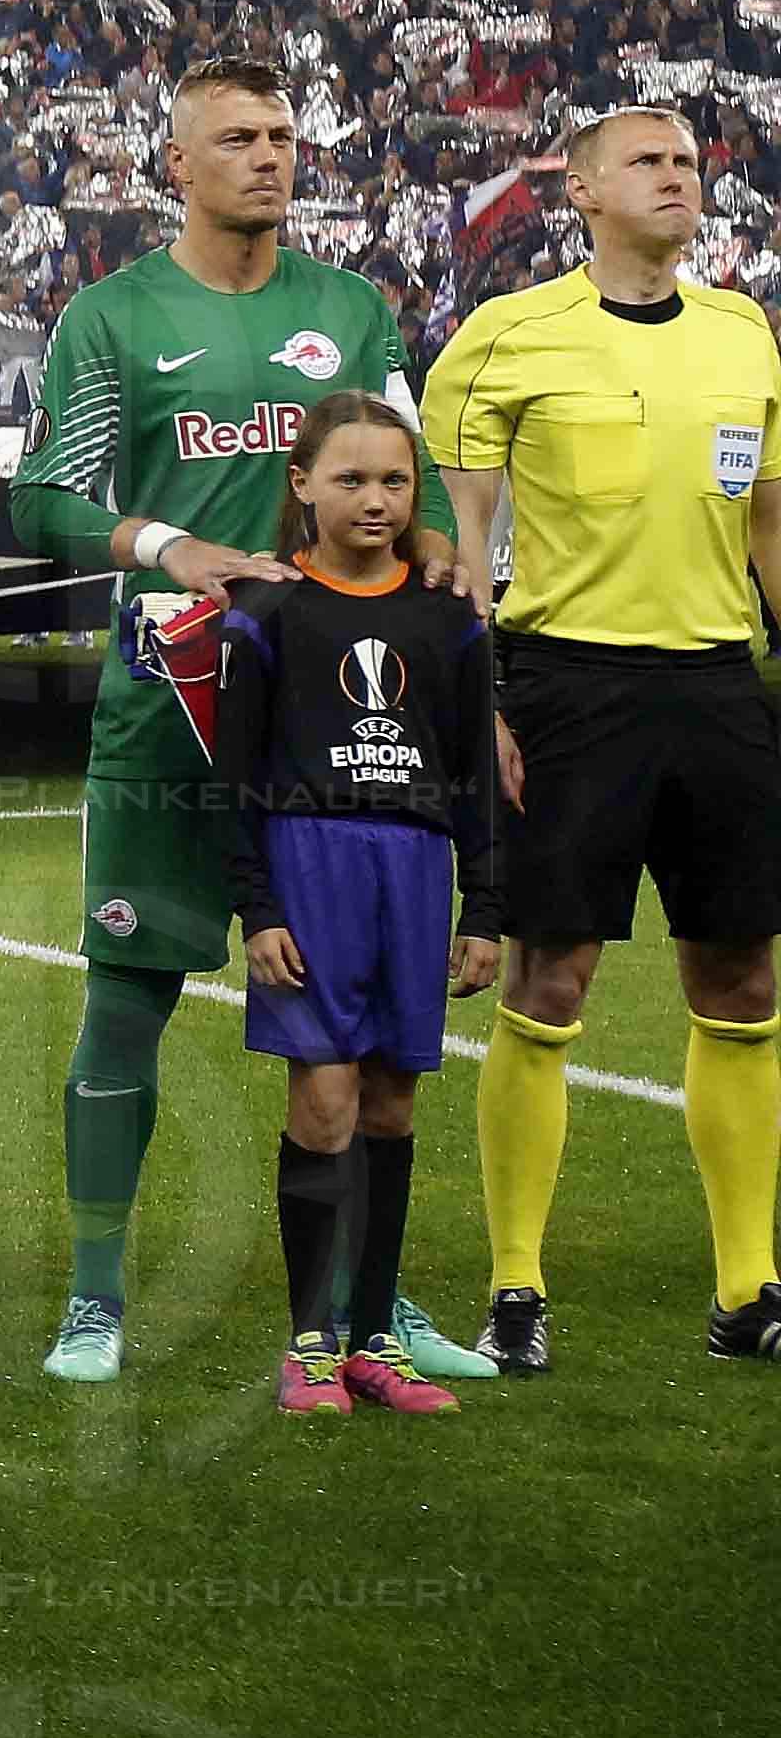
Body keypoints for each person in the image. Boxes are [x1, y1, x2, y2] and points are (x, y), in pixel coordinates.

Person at [16, 58, 476, 1385]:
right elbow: (46, 496)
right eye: (238, 137)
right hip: (173, 713)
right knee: (128, 1002)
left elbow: (413, 471)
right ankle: (95, 1301)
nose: (269, 157)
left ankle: (370, 1305)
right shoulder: (113, 315)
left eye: (282, 135)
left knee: (374, 1032)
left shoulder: (349, 308)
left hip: (342, 732)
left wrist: (445, 567)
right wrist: (173, 548)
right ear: (177, 163)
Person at [421, 103, 781, 1373]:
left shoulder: (746, 335)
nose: (679, 177)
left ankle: (750, 1290)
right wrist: (483, 705)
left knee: (742, 982)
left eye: (689, 161)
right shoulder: (505, 339)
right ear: (580, 190)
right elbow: (459, 546)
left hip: (719, 688)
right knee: (550, 981)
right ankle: (516, 1288)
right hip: (567, 688)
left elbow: (770, 529)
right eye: (649, 160)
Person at [207, 393, 504, 1415]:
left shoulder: (446, 615)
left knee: (390, 1100)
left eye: (394, 481)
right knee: (323, 1099)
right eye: (349, 479)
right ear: (301, 486)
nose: (374, 499)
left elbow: (471, 773)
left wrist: (485, 910)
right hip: (309, 863)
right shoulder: (269, 611)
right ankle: (311, 1344)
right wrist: (260, 910)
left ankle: (378, 1338)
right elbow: (234, 776)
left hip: (413, 871)